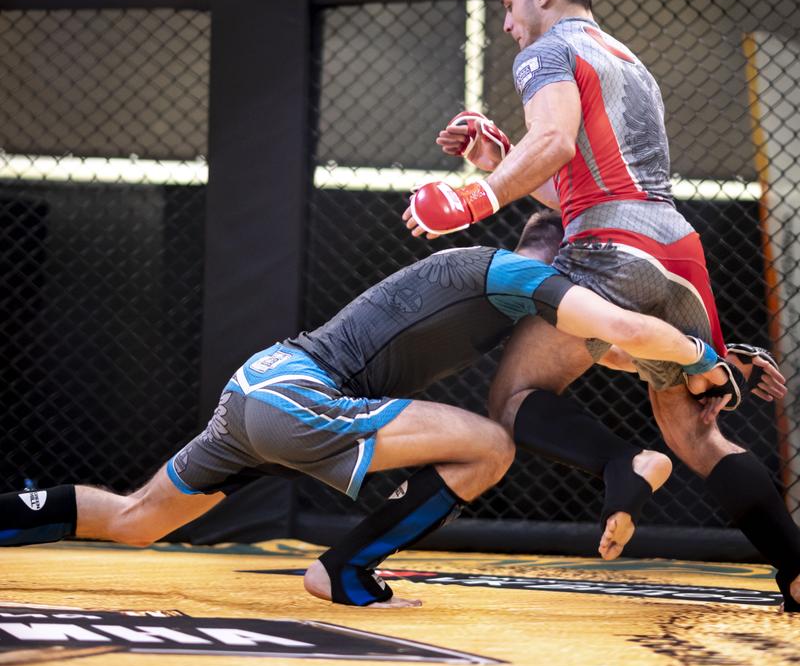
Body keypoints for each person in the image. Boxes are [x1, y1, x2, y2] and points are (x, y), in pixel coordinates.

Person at [0, 233, 725, 609]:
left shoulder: (498, 282)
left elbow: (611, 348)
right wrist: (705, 358)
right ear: (554, 260)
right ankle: (343, 570)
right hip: (295, 398)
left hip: (259, 385)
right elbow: (617, 325)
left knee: (134, 519)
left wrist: (694, 368)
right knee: (490, 447)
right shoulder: (516, 274)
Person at [403, 0, 799, 612]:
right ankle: (795, 568)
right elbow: (586, 182)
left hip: (611, 249)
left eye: (509, 4)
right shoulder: (629, 60)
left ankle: (624, 463)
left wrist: (474, 199)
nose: (507, 24)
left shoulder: (545, 51)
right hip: (677, 249)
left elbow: (555, 143)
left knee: (514, 396)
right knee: (698, 436)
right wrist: (497, 159)